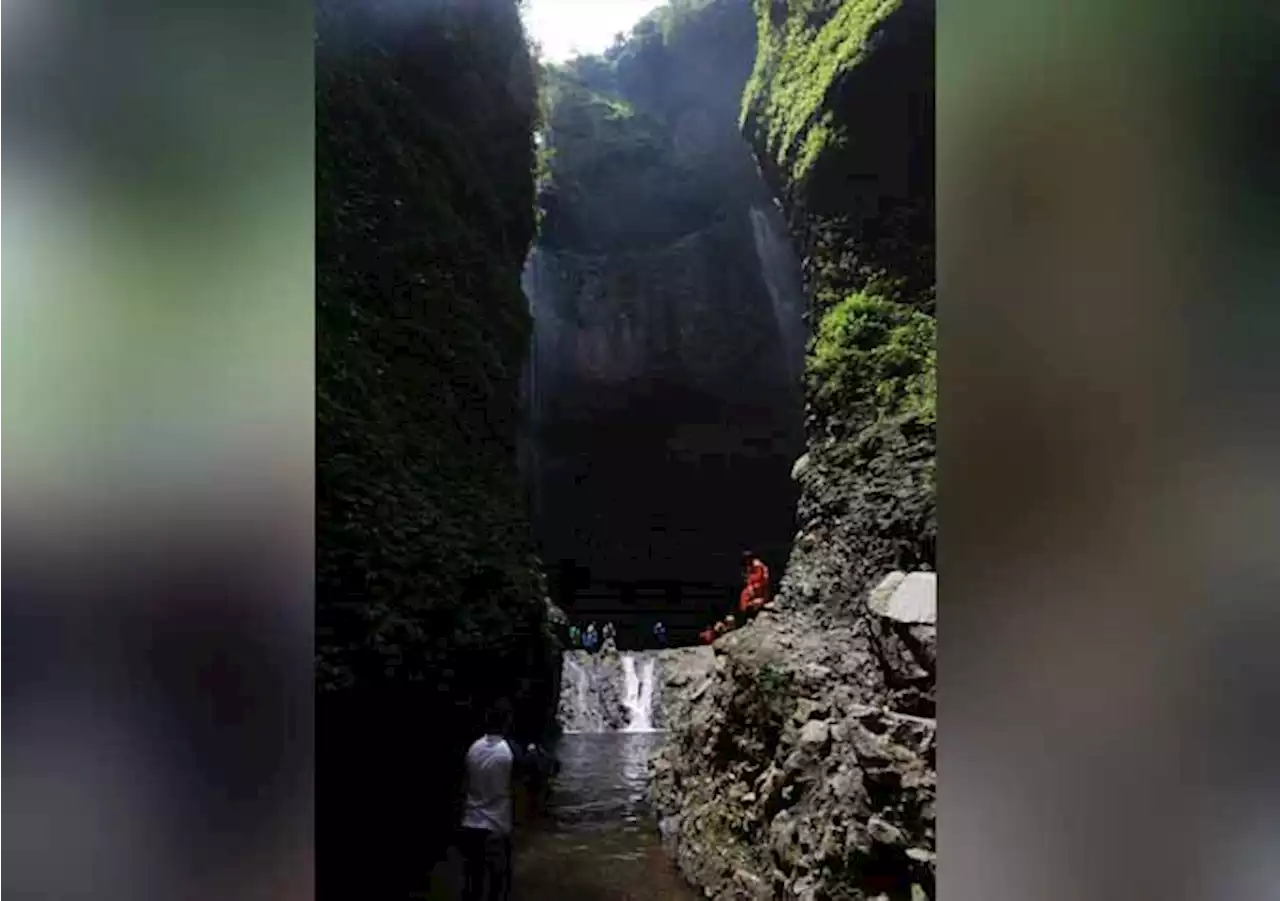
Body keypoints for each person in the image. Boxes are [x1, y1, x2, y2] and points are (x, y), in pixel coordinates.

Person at [458, 699, 524, 901]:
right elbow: (520, 784)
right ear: (508, 722)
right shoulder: (509, 752)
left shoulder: (473, 748)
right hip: (496, 827)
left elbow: (465, 784)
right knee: (498, 886)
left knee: (472, 884)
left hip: (470, 825)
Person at [739, 550, 770, 618]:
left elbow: (762, 578)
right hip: (753, 587)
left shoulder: (758, 566)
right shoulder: (749, 566)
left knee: (755, 598)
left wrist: (754, 586)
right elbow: (749, 579)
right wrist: (750, 586)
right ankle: (744, 613)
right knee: (744, 595)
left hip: (760, 587)